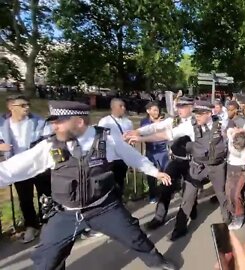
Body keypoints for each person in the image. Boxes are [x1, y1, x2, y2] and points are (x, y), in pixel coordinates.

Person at [0, 101, 176, 270]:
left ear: (79, 121)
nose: (55, 127)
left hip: (104, 207)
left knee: (135, 237)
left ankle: (157, 262)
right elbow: (14, 168)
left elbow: (132, 155)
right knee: (47, 258)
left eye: (59, 122)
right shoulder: (50, 146)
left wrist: (155, 172)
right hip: (65, 213)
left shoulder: (106, 138)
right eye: (53, 123)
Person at [128, 100, 229, 241]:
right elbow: (165, 133)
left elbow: (231, 137)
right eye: (196, 113)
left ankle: (228, 219)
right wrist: (140, 137)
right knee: (186, 197)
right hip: (195, 165)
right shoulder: (187, 125)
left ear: (209, 113)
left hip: (215, 166)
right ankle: (179, 228)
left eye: (199, 113)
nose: (197, 116)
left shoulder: (222, 123)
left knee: (222, 193)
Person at [127, 97, 197, 230]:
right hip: (176, 160)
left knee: (188, 191)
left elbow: (168, 134)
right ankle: (159, 218)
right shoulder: (175, 119)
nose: (179, 109)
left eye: (182, 107)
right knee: (166, 186)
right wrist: (138, 131)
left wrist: (141, 138)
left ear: (191, 107)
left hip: (191, 161)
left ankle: (191, 211)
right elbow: (157, 126)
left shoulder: (193, 122)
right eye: (178, 106)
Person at [0, 95, 52, 243]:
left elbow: (49, 139)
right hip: (17, 167)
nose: (27, 107)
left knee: (46, 195)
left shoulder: (38, 121)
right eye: (22, 105)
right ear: (11, 107)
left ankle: (48, 223)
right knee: (25, 198)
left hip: (38, 165)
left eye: (28, 104)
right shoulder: (2, 123)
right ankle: (32, 226)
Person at [98, 98, 133, 196]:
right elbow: (101, 139)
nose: (123, 108)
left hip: (123, 157)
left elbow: (131, 139)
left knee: (120, 180)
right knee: (109, 182)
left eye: (124, 106)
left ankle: (119, 201)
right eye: (120, 106)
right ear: (112, 107)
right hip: (110, 158)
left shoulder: (128, 122)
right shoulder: (105, 122)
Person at [225, 128, 245, 230]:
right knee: (229, 192)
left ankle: (239, 217)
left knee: (236, 194)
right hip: (230, 168)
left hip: (241, 170)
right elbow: (229, 131)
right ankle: (233, 212)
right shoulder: (232, 138)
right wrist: (236, 131)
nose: (236, 147)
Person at [140, 101, 169, 203]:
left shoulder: (163, 120)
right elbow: (143, 133)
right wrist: (155, 125)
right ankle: (152, 195)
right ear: (148, 111)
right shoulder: (144, 122)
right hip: (150, 151)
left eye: (158, 110)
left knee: (166, 172)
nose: (157, 112)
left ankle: (166, 194)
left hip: (163, 151)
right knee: (151, 174)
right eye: (155, 110)